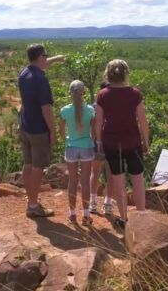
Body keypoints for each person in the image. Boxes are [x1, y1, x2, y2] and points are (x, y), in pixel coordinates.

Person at [95, 59, 149, 229]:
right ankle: (141, 218)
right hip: (133, 142)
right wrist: (146, 141)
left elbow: (98, 122)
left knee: (119, 182)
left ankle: (125, 220)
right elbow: (143, 121)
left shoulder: (103, 95)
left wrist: (98, 141)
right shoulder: (135, 94)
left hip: (112, 143)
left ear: (108, 75)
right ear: (125, 74)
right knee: (138, 180)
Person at [18, 44, 64, 218]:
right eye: (46, 56)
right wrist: (52, 131)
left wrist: (57, 58)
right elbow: (46, 109)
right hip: (38, 130)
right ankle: (33, 205)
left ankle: (31, 200)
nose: (47, 58)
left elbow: (41, 64)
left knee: (28, 165)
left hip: (25, 127)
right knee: (38, 168)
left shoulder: (24, 73)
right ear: (40, 58)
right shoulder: (41, 79)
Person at [59, 80, 95, 225]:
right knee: (85, 181)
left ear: (70, 93)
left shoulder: (64, 110)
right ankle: (86, 216)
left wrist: (66, 139)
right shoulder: (91, 110)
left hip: (71, 147)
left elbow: (61, 130)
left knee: (72, 181)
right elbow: (94, 131)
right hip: (86, 146)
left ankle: (72, 214)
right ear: (84, 93)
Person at [89, 82, 114, 215]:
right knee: (110, 174)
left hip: (96, 143)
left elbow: (91, 127)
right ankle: (108, 203)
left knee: (95, 172)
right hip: (111, 143)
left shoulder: (93, 106)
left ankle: (93, 203)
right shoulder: (115, 106)